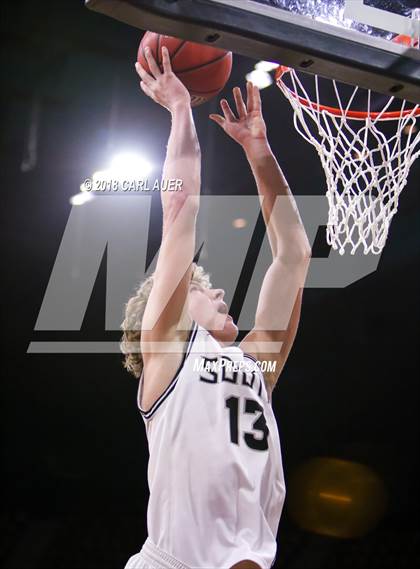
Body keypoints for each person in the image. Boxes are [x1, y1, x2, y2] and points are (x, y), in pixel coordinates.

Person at [121, 45, 311, 569]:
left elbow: (293, 256)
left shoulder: (258, 367)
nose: (222, 293)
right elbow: (180, 207)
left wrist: (259, 152)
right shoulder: (167, 357)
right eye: (205, 289)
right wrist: (182, 111)